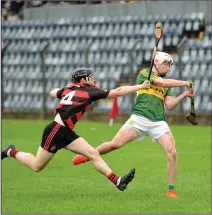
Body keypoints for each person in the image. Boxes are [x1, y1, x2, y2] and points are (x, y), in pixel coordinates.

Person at [1, 67, 151, 192]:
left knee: (93, 153)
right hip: (56, 130)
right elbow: (118, 91)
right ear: (83, 80)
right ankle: (10, 151)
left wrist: (63, 91)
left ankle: (118, 181)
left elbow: (53, 92)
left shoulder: (69, 89)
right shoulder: (89, 91)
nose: (94, 80)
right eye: (90, 77)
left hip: (66, 132)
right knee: (36, 166)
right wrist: (141, 87)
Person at [72, 52, 196, 198]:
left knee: (172, 152)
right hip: (139, 118)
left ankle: (171, 190)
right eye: (166, 64)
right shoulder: (145, 73)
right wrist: (185, 83)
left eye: (170, 65)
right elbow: (161, 83)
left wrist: (184, 95)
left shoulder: (167, 84)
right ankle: (88, 155)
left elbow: (169, 105)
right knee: (114, 144)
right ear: (156, 62)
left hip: (158, 121)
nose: (168, 68)